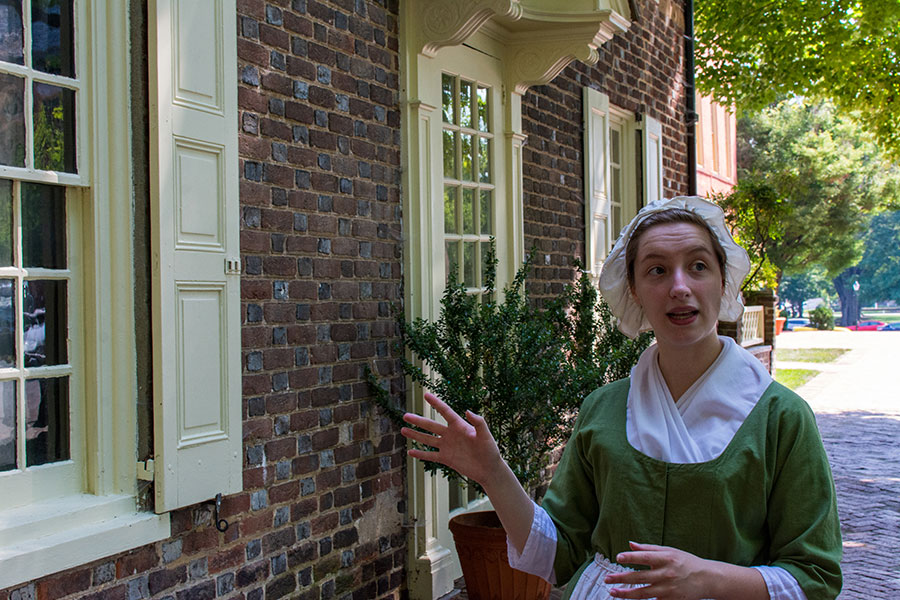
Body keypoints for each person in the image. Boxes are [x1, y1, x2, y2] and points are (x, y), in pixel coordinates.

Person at [401, 196, 842, 599]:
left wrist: (704, 578)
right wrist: (493, 473)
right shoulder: (604, 408)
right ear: (633, 289)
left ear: (722, 281)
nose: (680, 286)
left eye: (699, 266)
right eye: (657, 270)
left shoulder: (782, 418)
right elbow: (560, 555)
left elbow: (815, 577)